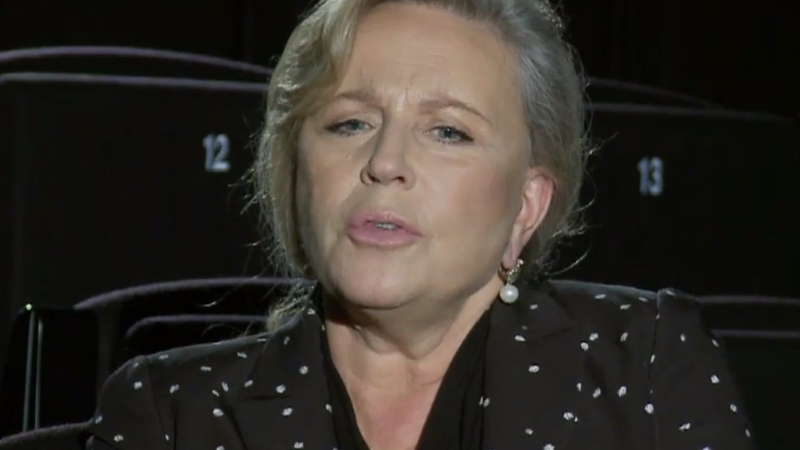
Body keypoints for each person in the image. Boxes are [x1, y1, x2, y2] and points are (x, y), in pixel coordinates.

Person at [86, 0, 756, 449]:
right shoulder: (171, 413)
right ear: (294, 172)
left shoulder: (645, 365)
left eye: (448, 132)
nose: (384, 163)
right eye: (350, 123)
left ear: (526, 205)